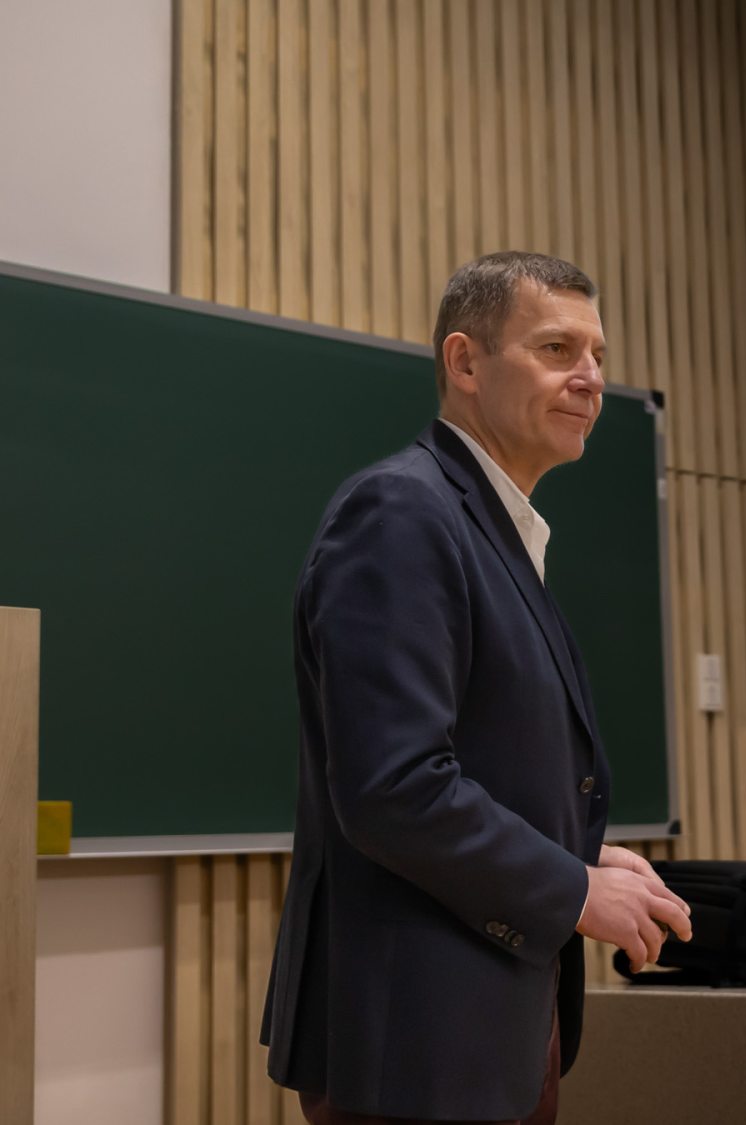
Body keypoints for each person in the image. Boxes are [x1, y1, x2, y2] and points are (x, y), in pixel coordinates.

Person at [260, 251, 693, 1124]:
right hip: (415, 1042)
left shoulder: (494, 526)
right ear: (464, 362)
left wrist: (579, 851)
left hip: (486, 1029)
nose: (591, 377)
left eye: (598, 355)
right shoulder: (402, 512)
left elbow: (483, 761)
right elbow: (395, 788)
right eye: (557, 348)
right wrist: (575, 890)